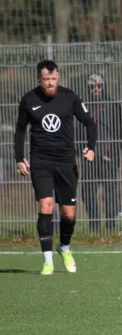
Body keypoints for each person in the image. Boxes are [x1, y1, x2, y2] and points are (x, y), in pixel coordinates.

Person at [14, 60, 97, 275]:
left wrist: (90, 147)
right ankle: (47, 260)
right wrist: (19, 157)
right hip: (41, 161)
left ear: (58, 78)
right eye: (46, 79)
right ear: (39, 79)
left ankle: (65, 248)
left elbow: (90, 122)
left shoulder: (70, 97)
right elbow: (20, 130)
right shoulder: (29, 100)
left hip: (66, 161)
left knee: (68, 214)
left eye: (54, 79)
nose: (50, 83)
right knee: (46, 206)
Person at [79, 74, 122, 232]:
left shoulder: (113, 106)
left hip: (108, 156)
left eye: (99, 86)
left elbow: (120, 133)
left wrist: (112, 153)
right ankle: (94, 227)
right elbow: (77, 132)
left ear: (104, 86)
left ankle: (111, 227)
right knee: (88, 192)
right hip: (89, 158)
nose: (96, 89)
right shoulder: (83, 106)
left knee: (109, 191)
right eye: (92, 87)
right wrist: (82, 152)